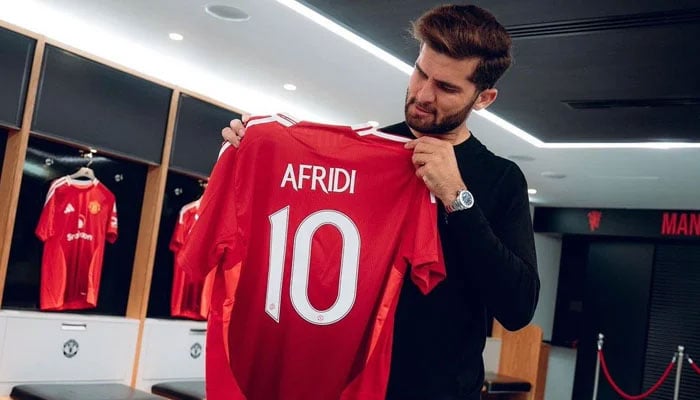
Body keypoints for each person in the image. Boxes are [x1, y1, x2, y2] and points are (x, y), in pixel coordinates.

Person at [222, 4, 539, 400]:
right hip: (346, 385)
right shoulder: (364, 155)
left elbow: (518, 309)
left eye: (446, 87)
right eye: (421, 72)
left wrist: (458, 198)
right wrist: (253, 155)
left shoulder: (501, 179)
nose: (423, 94)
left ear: (484, 98)